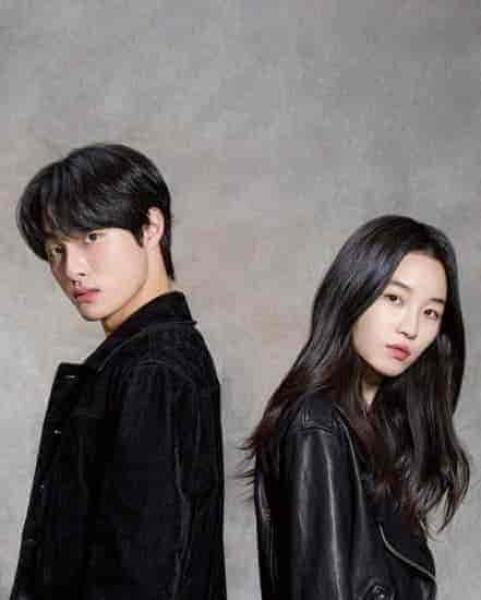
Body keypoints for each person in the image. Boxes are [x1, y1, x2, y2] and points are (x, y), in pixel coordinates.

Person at [11, 144, 227, 600]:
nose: (72, 269)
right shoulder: (140, 360)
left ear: (151, 227)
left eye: (91, 237)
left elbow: (142, 573)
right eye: (56, 249)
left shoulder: (153, 370)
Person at [248, 215, 469, 600]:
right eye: (394, 298)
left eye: (431, 312)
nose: (411, 328)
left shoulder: (377, 431)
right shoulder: (318, 425)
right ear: (353, 293)